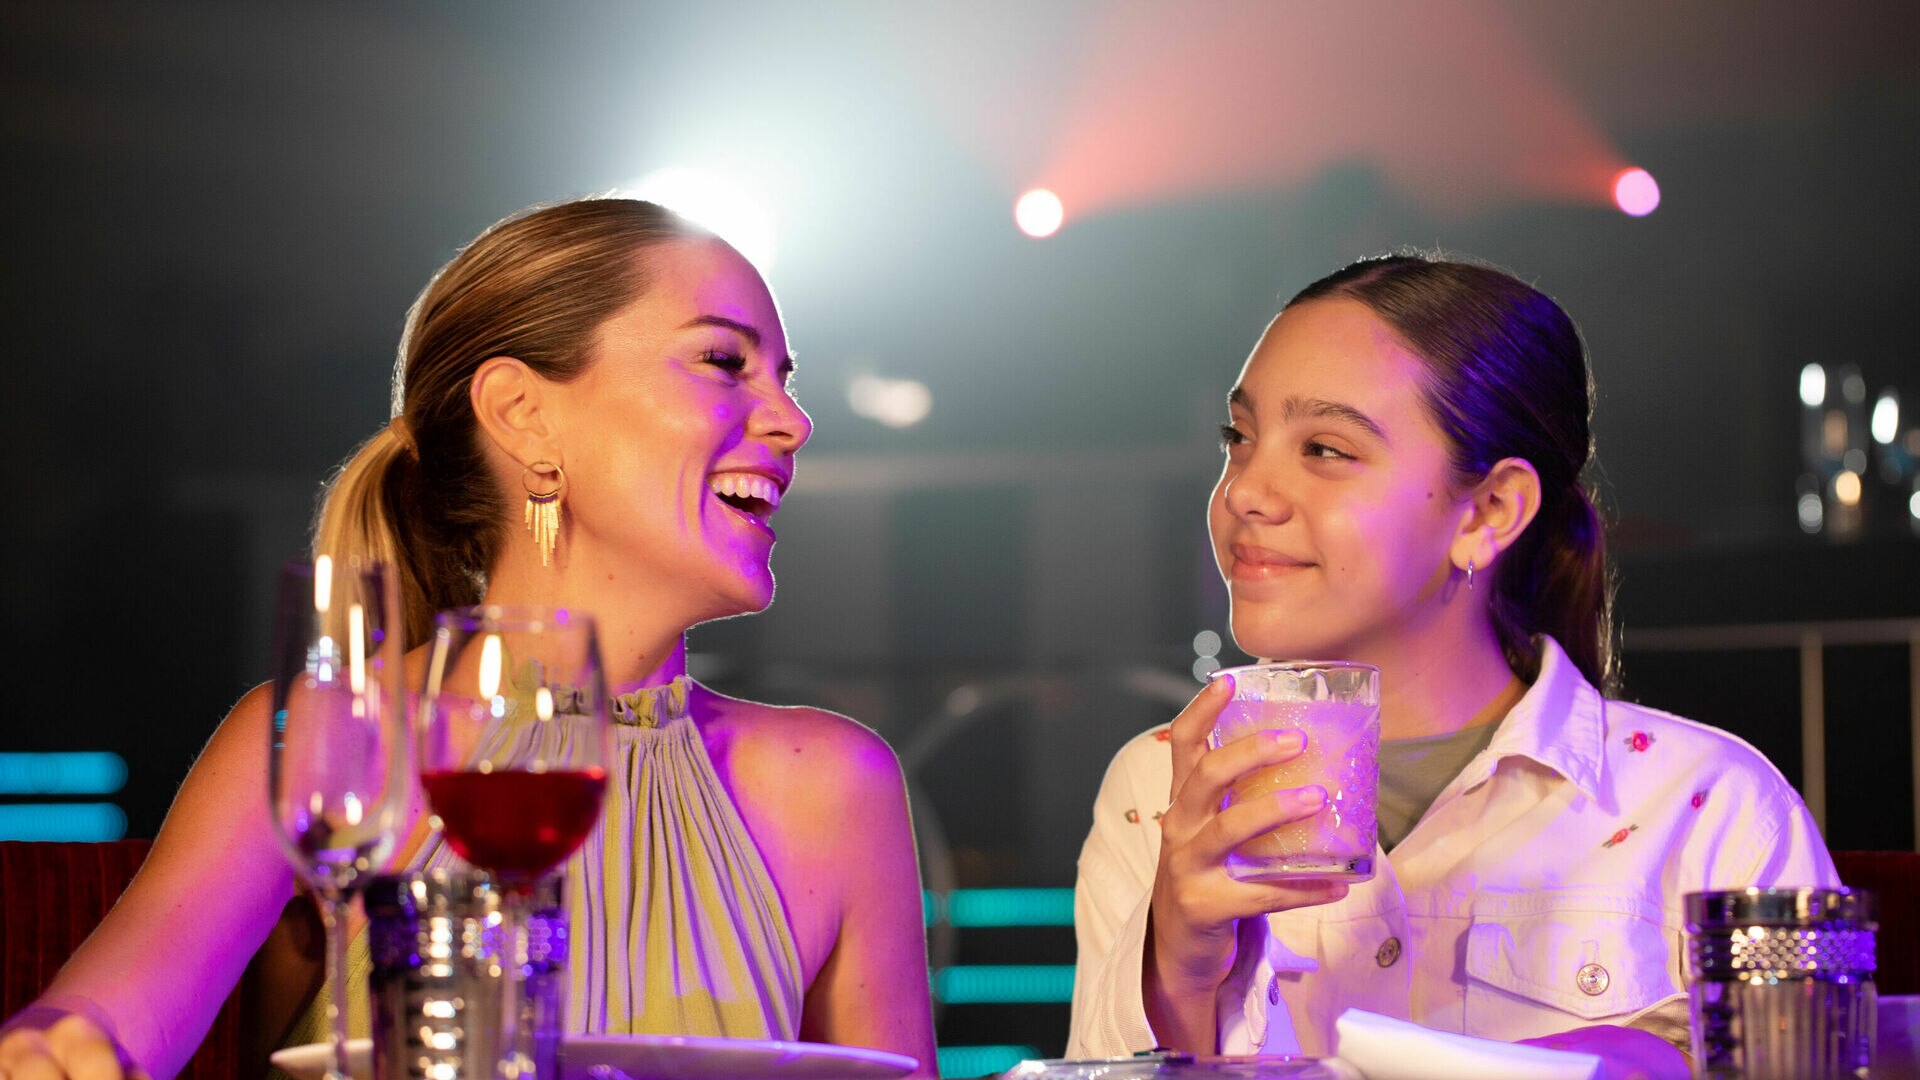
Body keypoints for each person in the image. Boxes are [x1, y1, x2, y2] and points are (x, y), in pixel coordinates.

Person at [0, 198, 938, 1079]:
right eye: (726, 364)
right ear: (524, 414)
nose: (793, 421)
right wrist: (48, 1050)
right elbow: (96, 1029)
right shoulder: (336, 738)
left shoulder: (836, 784)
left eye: (784, 379)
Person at [1068, 254, 1834, 1079]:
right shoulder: (1161, 793)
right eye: (1241, 438)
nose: (1247, 490)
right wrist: (1178, 966)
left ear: (1490, 511)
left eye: (1324, 448)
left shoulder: (1708, 806)